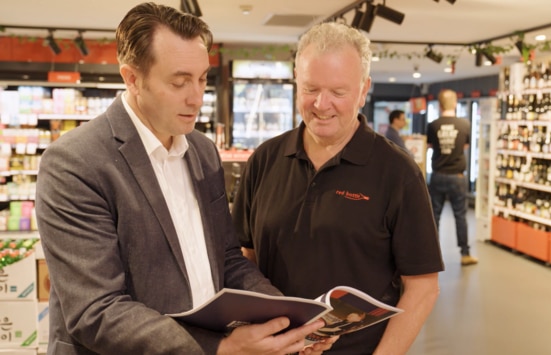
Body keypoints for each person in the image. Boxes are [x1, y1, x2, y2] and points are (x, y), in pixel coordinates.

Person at [34, 3, 334, 354]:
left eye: (203, 78)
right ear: (132, 78)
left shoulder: (202, 150)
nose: (196, 97)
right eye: (179, 82)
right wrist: (218, 348)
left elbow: (227, 259)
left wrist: (294, 322)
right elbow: (96, 311)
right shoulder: (75, 163)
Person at [232, 21, 444, 354]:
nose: (321, 104)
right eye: (311, 88)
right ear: (296, 81)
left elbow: (422, 287)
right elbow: (248, 258)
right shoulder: (264, 159)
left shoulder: (398, 172)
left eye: (338, 92)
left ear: (363, 90)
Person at [426, 89, 478, 266]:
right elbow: (465, 146)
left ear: (439, 105)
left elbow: (430, 146)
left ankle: (431, 255)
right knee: (460, 216)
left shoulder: (433, 125)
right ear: (455, 104)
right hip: (457, 177)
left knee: (434, 216)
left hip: (438, 175)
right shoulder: (465, 125)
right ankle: (465, 254)